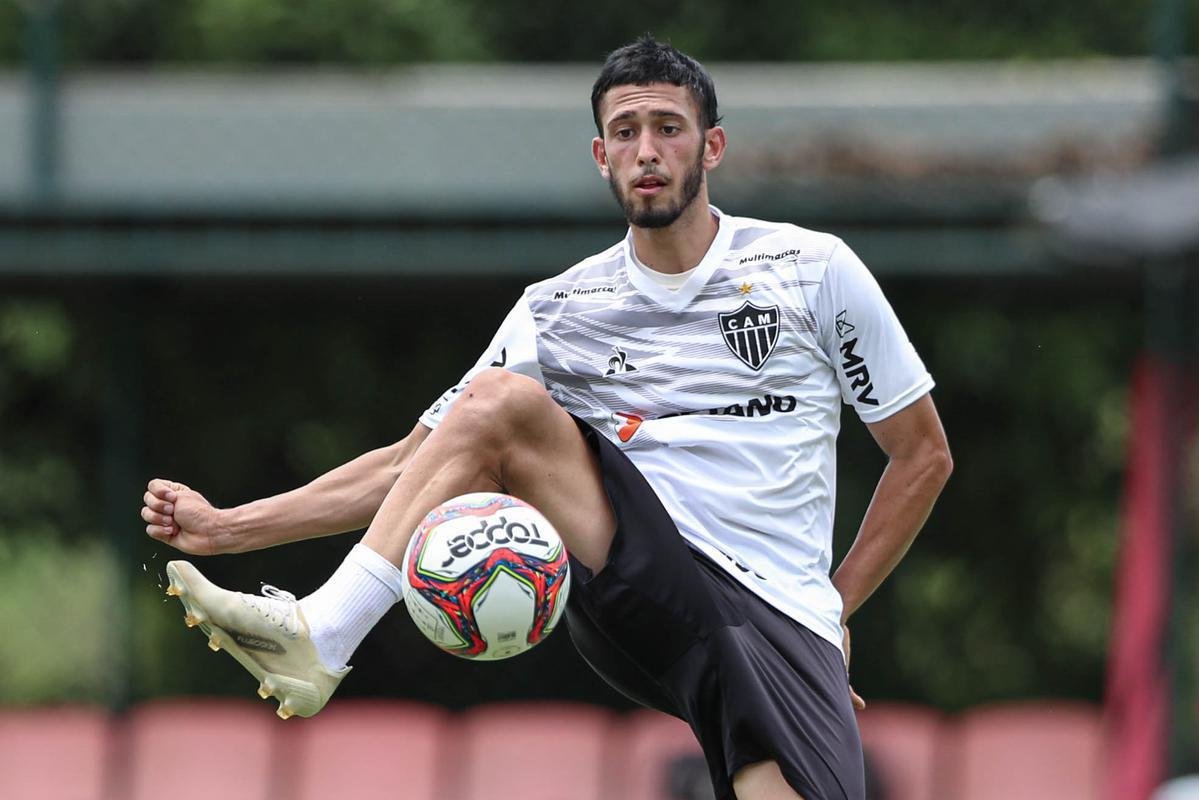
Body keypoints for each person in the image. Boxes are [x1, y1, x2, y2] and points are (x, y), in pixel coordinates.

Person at [141, 36, 952, 800]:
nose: (646, 150)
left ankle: (322, 633)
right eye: (624, 131)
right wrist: (230, 529)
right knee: (493, 406)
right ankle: (323, 630)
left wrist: (830, 610)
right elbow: (410, 466)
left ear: (711, 147)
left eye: (668, 128)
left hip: (775, 611)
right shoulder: (557, 309)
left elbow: (920, 456)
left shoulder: (811, 270)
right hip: (635, 577)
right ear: (601, 156)